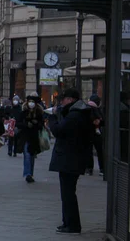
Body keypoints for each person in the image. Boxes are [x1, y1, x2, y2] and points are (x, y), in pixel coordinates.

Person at [47, 88, 93, 235]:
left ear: (71, 100)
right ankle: (67, 222)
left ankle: (72, 225)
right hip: (71, 158)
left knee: (68, 194)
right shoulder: (76, 114)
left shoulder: (75, 116)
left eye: (64, 99)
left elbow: (59, 131)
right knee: (67, 193)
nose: (61, 102)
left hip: (70, 159)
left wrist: (52, 118)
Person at [16, 94, 44, 183]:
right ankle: (27, 174)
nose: (31, 103)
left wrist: (36, 123)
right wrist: (26, 124)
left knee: (32, 157)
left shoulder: (39, 113)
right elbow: (18, 123)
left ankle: (30, 174)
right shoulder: (23, 113)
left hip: (34, 138)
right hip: (25, 137)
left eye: (32, 102)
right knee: (27, 156)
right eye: (29, 102)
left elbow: (41, 125)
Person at [86, 94, 104, 176]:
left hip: (88, 133)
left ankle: (89, 168)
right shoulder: (98, 109)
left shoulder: (86, 108)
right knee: (100, 151)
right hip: (97, 133)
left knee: (89, 151)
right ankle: (102, 169)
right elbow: (103, 121)